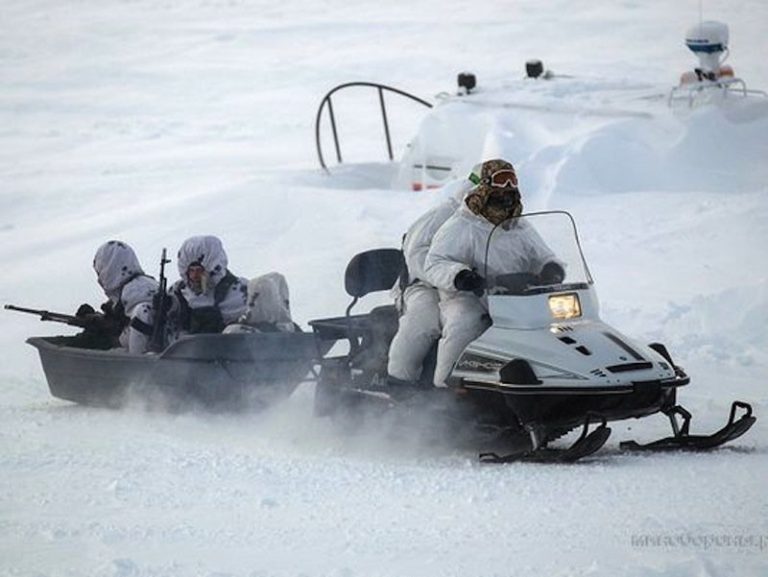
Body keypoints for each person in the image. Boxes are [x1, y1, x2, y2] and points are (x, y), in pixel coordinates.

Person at [424, 159, 563, 387]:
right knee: (465, 323)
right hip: (468, 295)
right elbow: (435, 262)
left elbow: (543, 255)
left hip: (517, 296)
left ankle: (556, 376)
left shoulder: (519, 225)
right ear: (486, 185)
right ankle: (446, 385)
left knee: (558, 322)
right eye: (500, 180)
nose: (507, 187)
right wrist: (460, 276)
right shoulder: (463, 224)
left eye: (512, 180)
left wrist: (552, 269)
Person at [386, 177, 473, 388]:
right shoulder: (441, 216)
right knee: (425, 317)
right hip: (423, 285)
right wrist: (452, 276)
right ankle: (400, 380)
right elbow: (416, 256)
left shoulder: (499, 220)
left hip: (467, 286)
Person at [76, 240, 158, 353]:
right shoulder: (145, 284)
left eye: (100, 272)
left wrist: (114, 342)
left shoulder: (134, 291)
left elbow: (142, 321)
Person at [169, 235, 249, 337]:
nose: (194, 276)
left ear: (213, 269)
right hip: (186, 351)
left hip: (229, 351)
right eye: (191, 271)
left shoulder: (241, 293)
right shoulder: (178, 293)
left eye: (199, 271)